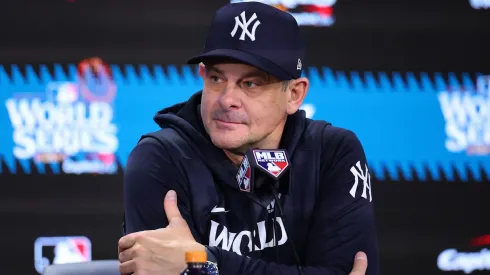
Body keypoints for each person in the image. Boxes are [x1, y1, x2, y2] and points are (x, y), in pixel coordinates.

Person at [118, 1, 379, 275]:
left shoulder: (332, 153)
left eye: (250, 84)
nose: (227, 99)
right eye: (217, 79)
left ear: (294, 95)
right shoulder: (160, 158)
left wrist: (201, 263)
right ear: (202, 75)